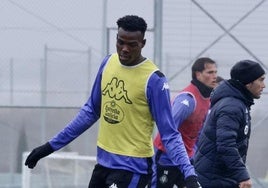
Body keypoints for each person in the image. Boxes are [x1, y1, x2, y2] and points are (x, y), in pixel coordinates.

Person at [24, 15, 201, 188]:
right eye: (120, 42)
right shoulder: (108, 63)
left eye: (132, 45)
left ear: (143, 44)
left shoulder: (154, 80)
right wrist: (49, 147)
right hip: (103, 164)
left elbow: (169, 134)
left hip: (133, 169)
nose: (124, 49)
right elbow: (90, 111)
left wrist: (189, 174)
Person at [194, 60, 266, 188]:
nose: (264, 85)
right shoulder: (231, 106)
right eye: (261, 80)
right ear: (248, 83)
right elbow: (226, 144)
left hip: (222, 178)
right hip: (214, 180)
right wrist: (242, 175)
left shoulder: (239, 103)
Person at [152, 57, 217, 188]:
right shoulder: (187, 100)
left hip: (187, 161)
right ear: (198, 74)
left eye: (215, 72)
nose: (215, 76)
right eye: (210, 73)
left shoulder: (207, 99)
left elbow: (198, 133)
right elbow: (168, 131)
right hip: (166, 159)